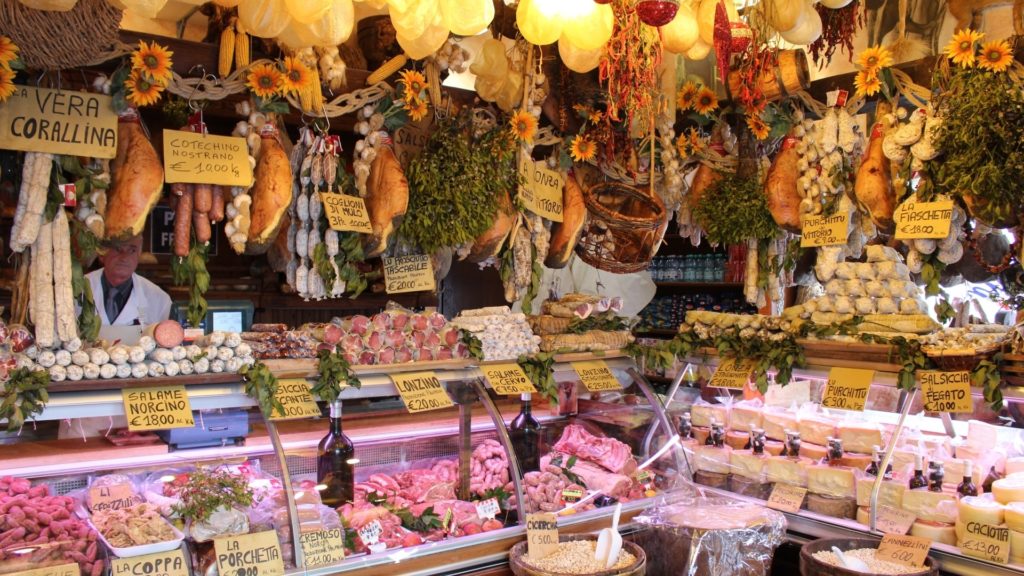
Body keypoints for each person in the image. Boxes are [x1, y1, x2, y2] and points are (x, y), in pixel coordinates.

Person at [86, 234, 172, 326]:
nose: (124, 257)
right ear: (102, 254)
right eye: (118, 249)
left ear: (138, 255)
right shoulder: (76, 290)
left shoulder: (160, 300)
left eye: (132, 250)